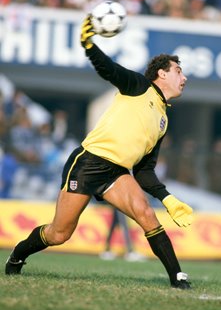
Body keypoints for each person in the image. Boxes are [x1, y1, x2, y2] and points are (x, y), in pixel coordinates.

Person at [5, 16, 193, 289]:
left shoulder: (163, 119)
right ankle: (17, 256)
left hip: (117, 173)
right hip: (88, 163)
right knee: (59, 234)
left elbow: (144, 170)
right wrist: (90, 46)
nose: (183, 77)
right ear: (161, 74)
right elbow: (110, 70)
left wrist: (167, 198)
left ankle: (178, 278)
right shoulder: (140, 86)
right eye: (178, 70)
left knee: (147, 215)